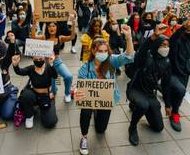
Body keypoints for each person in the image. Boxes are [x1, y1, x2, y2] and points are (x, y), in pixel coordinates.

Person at [75, 24, 134, 155]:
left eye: (105, 51)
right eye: (100, 51)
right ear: (93, 51)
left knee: (101, 130)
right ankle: (84, 137)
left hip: (106, 100)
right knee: (85, 111)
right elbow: (80, 87)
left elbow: (129, 57)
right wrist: (77, 93)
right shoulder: (85, 69)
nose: (103, 54)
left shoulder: (112, 61)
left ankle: (96, 113)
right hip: (90, 100)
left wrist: (129, 37)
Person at [127, 24, 171, 146]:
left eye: (167, 46)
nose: (166, 48)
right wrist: (154, 35)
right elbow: (142, 49)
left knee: (158, 127)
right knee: (143, 105)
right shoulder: (146, 56)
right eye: (163, 45)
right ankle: (132, 127)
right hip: (135, 89)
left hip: (150, 94)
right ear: (157, 45)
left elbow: (166, 85)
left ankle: (136, 106)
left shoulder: (167, 62)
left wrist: (168, 105)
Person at [31, 13, 76, 103]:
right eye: (49, 26)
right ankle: (53, 89)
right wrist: (34, 23)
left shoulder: (60, 38)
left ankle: (67, 93)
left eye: (54, 26)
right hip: (47, 65)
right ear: (47, 28)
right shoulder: (44, 37)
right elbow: (33, 37)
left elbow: (72, 37)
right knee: (53, 90)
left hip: (57, 62)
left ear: (56, 27)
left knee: (68, 77)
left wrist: (73, 23)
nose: (52, 28)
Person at [12, 54, 58, 129]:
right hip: (33, 93)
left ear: (44, 58)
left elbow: (55, 76)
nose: (38, 61)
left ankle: (43, 108)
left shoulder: (48, 67)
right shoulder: (31, 68)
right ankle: (29, 116)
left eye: (40, 59)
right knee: (25, 96)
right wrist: (15, 65)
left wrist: (52, 64)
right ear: (33, 59)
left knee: (50, 122)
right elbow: (20, 71)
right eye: (36, 60)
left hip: (46, 95)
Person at [164, 20, 190, 132]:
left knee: (179, 93)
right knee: (181, 90)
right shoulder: (177, 40)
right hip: (173, 72)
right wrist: (184, 27)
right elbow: (173, 39)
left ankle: (175, 111)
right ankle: (174, 112)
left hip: (185, 73)